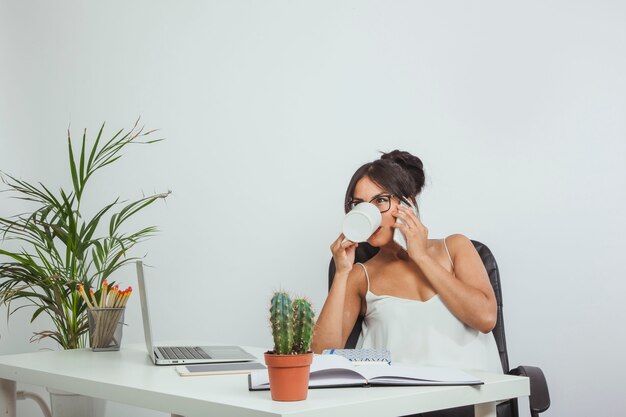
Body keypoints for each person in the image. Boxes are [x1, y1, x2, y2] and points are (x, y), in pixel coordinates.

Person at [312, 150, 502, 416]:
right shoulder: (359, 275)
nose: (369, 212)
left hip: (469, 401)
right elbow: (321, 355)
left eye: (380, 200)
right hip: (400, 406)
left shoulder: (456, 247)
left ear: (407, 204)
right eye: (359, 204)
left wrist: (421, 255)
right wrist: (342, 272)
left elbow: (485, 318)